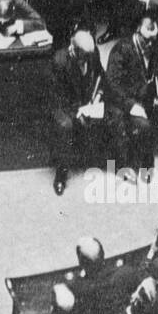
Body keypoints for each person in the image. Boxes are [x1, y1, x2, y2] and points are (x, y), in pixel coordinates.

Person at [106, 16, 158, 174]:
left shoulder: (153, 45)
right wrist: (131, 106)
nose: (151, 43)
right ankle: (139, 166)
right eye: (148, 39)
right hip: (129, 100)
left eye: (154, 38)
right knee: (143, 126)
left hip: (148, 95)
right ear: (138, 32)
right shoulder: (121, 49)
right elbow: (113, 85)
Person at [50, 30, 110, 195]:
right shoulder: (60, 61)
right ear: (73, 49)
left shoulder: (91, 52)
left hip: (87, 100)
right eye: (83, 56)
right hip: (65, 105)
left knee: (112, 112)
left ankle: (108, 159)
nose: (87, 60)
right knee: (66, 126)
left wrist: (98, 95)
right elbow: (59, 97)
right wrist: (78, 112)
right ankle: (61, 176)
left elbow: (101, 75)